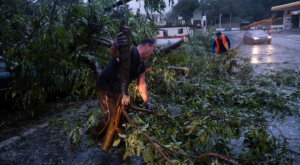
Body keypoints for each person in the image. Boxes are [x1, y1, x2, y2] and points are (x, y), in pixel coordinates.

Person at [92, 33, 156, 143]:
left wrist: (147, 101)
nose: (153, 53)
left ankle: (118, 139)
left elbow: (141, 84)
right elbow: (114, 53)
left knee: (123, 115)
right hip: (106, 85)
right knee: (111, 115)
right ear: (147, 46)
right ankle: (95, 136)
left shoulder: (142, 66)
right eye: (153, 50)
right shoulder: (130, 50)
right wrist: (115, 45)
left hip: (119, 90)